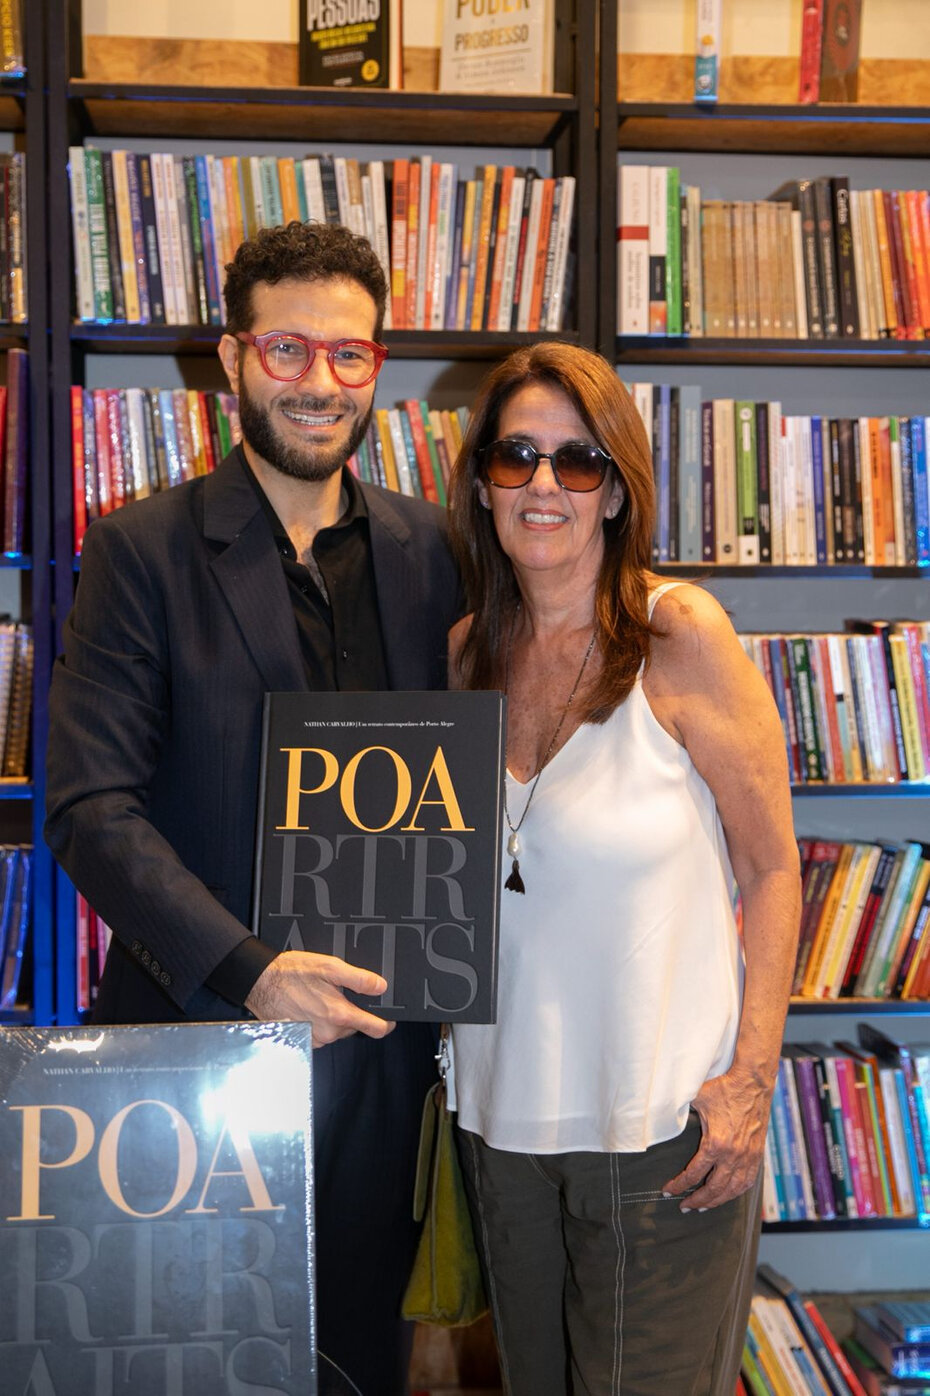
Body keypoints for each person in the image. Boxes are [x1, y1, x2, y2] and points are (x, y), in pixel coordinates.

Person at [44, 220, 460, 1396]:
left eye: (350, 354)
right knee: (197, 1363)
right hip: (202, 1054)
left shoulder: (437, 552)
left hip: (390, 1055)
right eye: (287, 349)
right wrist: (249, 966)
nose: (319, 382)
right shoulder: (142, 548)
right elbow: (87, 802)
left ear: (377, 364)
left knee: (360, 1360)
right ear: (231, 361)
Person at [446, 342, 801, 1396]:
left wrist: (751, 1082)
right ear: (482, 485)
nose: (545, 485)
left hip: (663, 1134)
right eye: (517, 458)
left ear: (617, 490)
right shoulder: (465, 655)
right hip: (499, 1125)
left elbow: (774, 868)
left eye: (578, 461)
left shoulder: (676, 633)